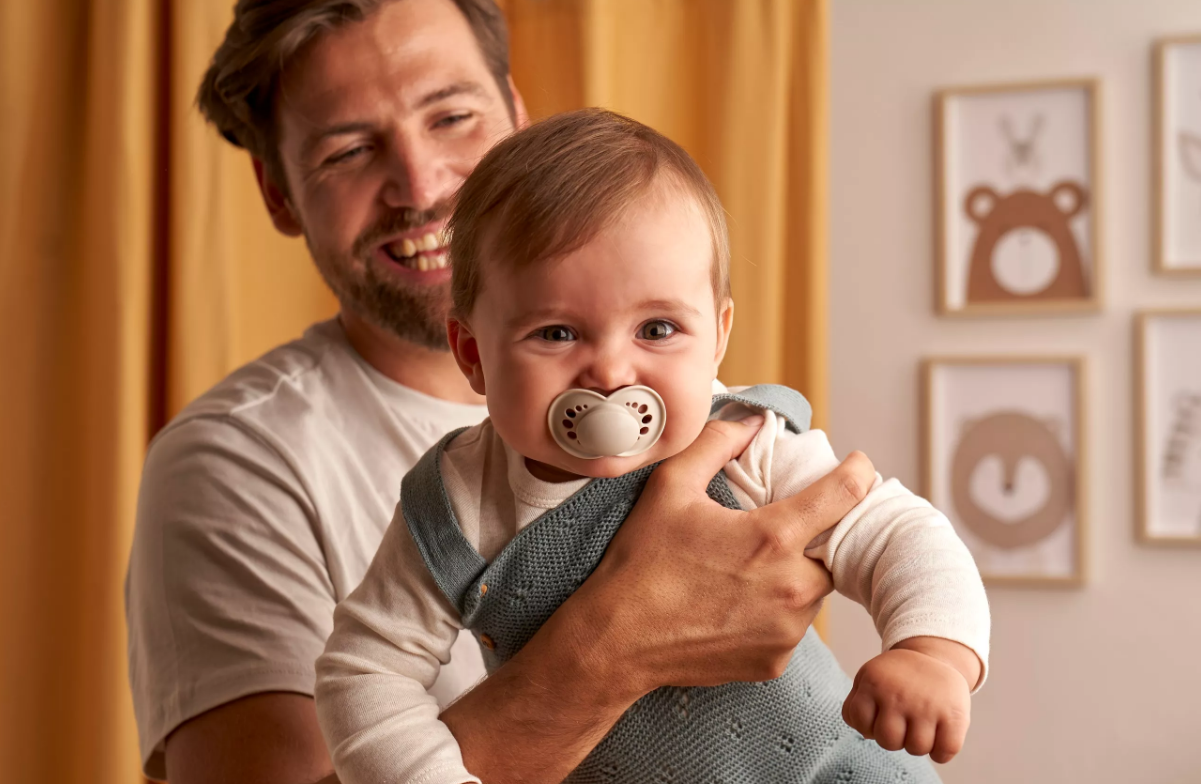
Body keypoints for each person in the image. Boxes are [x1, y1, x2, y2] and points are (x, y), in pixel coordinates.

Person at [124, 2, 876, 783]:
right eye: (348, 151)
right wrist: (618, 646)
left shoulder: (695, 393)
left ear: (517, 120)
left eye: (451, 116)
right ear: (278, 194)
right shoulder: (237, 461)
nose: (418, 183)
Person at [314, 109, 991, 784]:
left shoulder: (743, 441)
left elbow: (896, 533)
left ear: (717, 336)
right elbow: (366, 671)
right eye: (555, 334)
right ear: (473, 353)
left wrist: (933, 654)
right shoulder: (458, 502)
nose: (610, 373)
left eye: (658, 328)